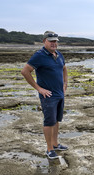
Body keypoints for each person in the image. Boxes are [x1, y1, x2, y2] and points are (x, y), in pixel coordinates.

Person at [21, 31, 68, 159]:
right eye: (51, 41)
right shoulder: (39, 55)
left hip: (60, 94)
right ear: (44, 41)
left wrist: (65, 83)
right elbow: (25, 71)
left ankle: (55, 144)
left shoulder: (59, 54)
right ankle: (49, 149)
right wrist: (39, 89)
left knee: (56, 120)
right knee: (49, 122)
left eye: (55, 41)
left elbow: (64, 68)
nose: (54, 43)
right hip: (48, 96)